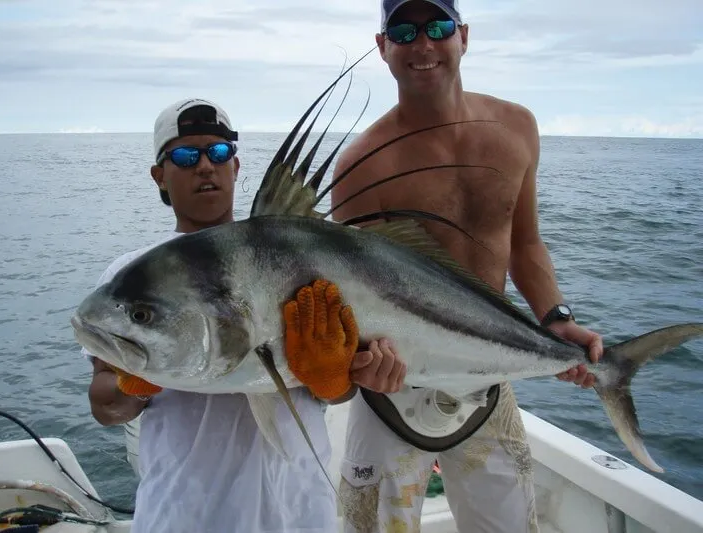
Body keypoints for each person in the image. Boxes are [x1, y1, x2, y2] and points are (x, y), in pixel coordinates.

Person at [326, 1, 605, 532]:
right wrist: (360, 359)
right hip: (391, 389)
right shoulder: (363, 165)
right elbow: (354, 295)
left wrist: (555, 318)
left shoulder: (517, 127)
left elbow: (524, 244)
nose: (423, 44)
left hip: (488, 378)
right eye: (404, 31)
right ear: (383, 47)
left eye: (438, 27)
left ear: (464, 36)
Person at [83, 97, 407, 533]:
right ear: (160, 175)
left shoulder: (304, 264)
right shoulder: (133, 277)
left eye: (219, 153)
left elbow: (333, 394)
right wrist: (135, 381)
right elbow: (105, 405)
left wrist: (334, 380)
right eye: (184, 155)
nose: (204, 166)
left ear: (235, 167)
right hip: (183, 514)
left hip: (299, 511)